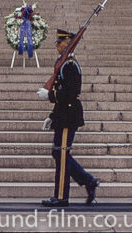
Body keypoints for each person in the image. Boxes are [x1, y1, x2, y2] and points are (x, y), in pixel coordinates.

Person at [36, 29, 100, 207]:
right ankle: (88, 181)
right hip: (63, 114)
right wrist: (52, 116)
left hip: (69, 115)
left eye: (60, 42)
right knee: (59, 153)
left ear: (68, 43)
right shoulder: (64, 63)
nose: (56, 45)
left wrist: (49, 95)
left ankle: (61, 197)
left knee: (62, 155)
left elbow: (70, 93)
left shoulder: (70, 65)